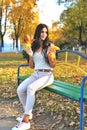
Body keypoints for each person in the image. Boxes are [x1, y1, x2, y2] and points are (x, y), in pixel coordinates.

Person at [12, 23, 57, 130]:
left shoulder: (50, 46)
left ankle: (26, 120)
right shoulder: (34, 46)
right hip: (36, 73)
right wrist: (31, 56)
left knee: (31, 88)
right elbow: (31, 66)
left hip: (47, 75)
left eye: (46, 32)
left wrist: (51, 56)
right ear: (38, 32)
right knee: (20, 89)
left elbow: (53, 65)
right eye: (42, 32)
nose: (44, 34)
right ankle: (28, 113)